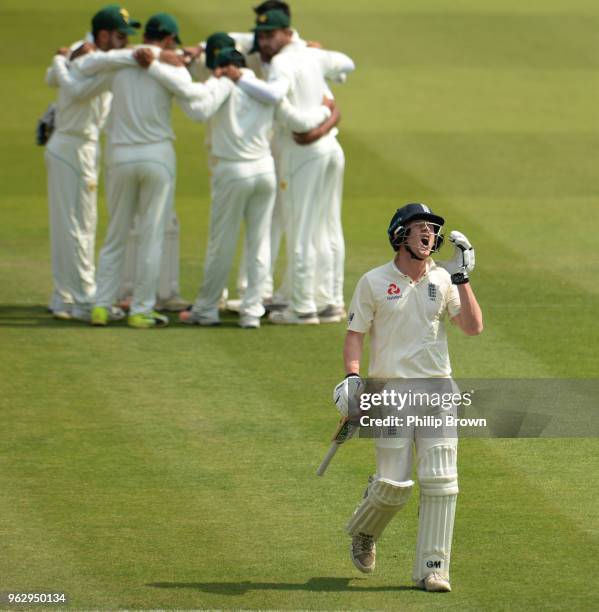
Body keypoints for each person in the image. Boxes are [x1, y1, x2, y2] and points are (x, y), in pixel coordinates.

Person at [333, 203, 483, 592]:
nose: (429, 235)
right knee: (394, 486)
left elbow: (472, 327)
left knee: (442, 480)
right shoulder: (373, 281)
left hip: (438, 390)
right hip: (390, 392)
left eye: (432, 230)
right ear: (400, 235)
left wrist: (463, 278)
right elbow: (355, 334)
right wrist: (352, 379)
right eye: (420, 228)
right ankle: (364, 530)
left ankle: (434, 569)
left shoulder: (445, 279)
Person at [162, 44, 333, 328]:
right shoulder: (262, 89)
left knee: (222, 243)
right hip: (264, 170)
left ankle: (206, 309)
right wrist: (325, 112)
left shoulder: (222, 83)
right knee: (260, 242)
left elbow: (198, 111)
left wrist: (176, 78)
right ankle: (252, 311)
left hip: (232, 171)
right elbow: (298, 120)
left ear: (220, 67)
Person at [71, 13, 202, 328]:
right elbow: (191, 92)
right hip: (157, 155)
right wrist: (162, 60)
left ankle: (102, 306)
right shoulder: (167, 63)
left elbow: (82, 67)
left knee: (116, 233)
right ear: (168, 40)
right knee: (151, 235)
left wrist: (133, 56)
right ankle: (141, 309)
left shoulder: (120, 62)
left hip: (120, 156)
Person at [234, 9, 355, 324]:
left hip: (303, 154)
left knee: (301, 229)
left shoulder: (283, 62)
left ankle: (302, 308)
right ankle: (330, 301)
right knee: (327, 227)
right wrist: (330, 89)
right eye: (261, 36)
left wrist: (243, 81)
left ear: (287, 32)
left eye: (270, 35)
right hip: (331, 149)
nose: (264, 41)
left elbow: (274, 95)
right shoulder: (312, 55)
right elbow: (346, 64)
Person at [44, 4, 140, 321]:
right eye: (120, 35)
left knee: (68, 225)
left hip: (70, 145)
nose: (125, 41)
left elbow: (52, 79)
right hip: (75, 147)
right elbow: (71, 86)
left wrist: (63, 60)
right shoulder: (93, 60)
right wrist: (63, 61)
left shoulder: (81, 51)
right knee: (79, 226)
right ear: (102, 35)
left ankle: (64, 297)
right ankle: (85, 301)